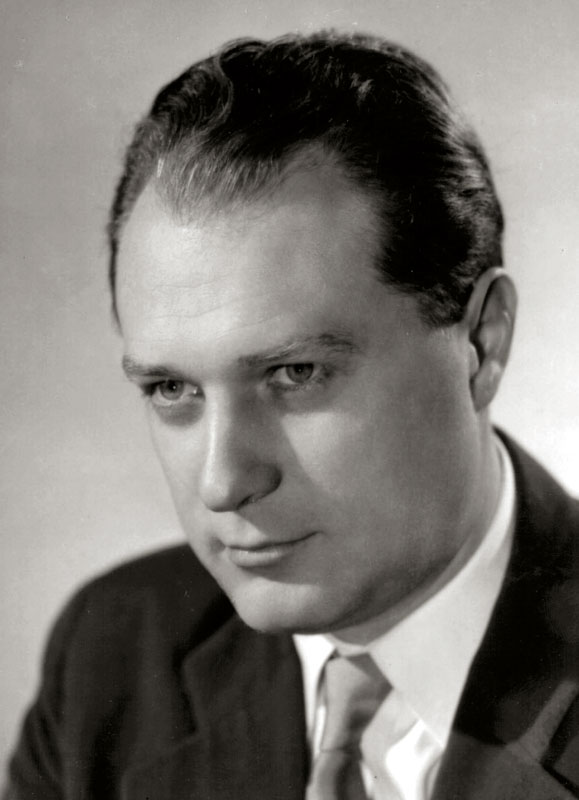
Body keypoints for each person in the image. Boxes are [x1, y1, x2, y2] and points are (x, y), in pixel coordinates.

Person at [4, 30, 579, 800]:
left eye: (294, 374)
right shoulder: (112, 662)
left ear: (480, 342)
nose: (222, 484)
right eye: (171, 390)